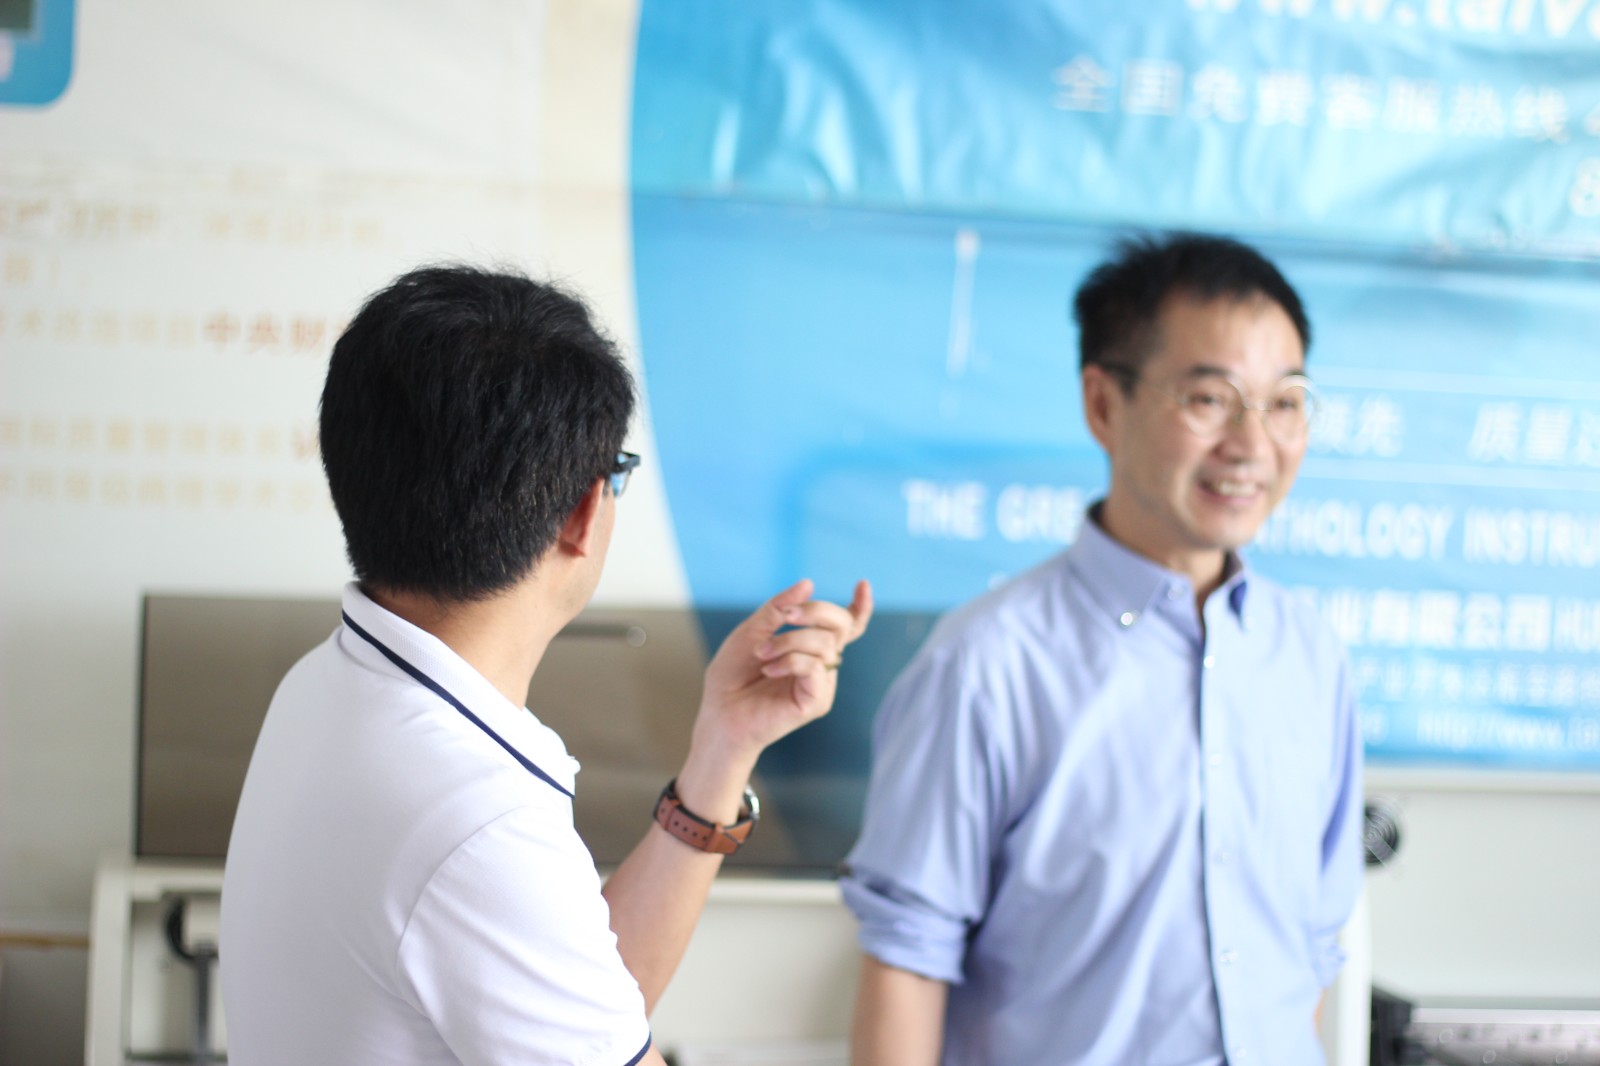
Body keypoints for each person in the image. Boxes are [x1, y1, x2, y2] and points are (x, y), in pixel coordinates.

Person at [219, 265, 872, 1065]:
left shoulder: (326, 686)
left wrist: (724, 748)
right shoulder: (475, 818)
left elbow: (574, 1006)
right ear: (584, 513)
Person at [842, 234, 1363, 1066]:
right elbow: (908, 960)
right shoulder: (986, 666)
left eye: (1285, 402)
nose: (1252, 444)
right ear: (1103, 405)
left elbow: (1312, 943)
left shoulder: (1310, 655)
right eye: (1210, 398)